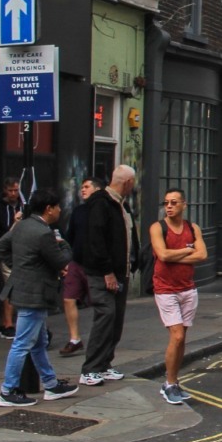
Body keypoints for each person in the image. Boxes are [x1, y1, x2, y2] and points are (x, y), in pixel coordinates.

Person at [0, 189, 80, 407]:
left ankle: (51, 384)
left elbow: (1, 246)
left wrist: (18, 268)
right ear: (49, 209)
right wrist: (63, 243)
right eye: (58, 206)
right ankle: (7, 391)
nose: (60, 210)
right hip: (35, 294)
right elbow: (61, 260)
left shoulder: (22, 225)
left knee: (39, 342)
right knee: (22, 343)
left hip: (25, 289)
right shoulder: (44, 233)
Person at [80, 165, 138, 387]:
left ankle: (104, 364)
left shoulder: (121, 205)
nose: (133, 186)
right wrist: (107, 272)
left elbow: (127, 234)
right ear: (127, 182)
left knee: (115, 320)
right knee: (105, 316)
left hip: (120, 272)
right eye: (132, 182)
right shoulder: (101, 204)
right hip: (103, 274)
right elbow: (97, 241)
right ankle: (90, 369)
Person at [150, 188, 207, 404]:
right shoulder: (158, 227)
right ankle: (169, 384)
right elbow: (162, 254)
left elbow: (202, 255)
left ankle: (174, 382)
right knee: (177, 336)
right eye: (166, 203)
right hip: (165, 289)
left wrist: (177, 255)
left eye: (174, 202)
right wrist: (188, 250)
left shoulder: (192, 228)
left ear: (184, 204)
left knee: (182, 337)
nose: (169, 206)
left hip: (188, 289)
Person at [59, 177, 103, 357]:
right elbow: (70, 237)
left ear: (97, 189)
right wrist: (65, 261)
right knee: (68, 298)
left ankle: (99, 340)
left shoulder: (102, 210)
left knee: (100, 305)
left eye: (87, 187)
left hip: (96, 266)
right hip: (76, 263)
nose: (82, 190)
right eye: (81, 187)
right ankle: (75, 339)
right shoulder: (78, 211)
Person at [0, 176, 22, 339]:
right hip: (5, 250)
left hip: (19, 249)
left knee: (12, 285)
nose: (13, 194)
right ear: (5, 190)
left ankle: (4, 323)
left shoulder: (22, 205)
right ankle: (8, 324)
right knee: (10, 286)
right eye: (10, 190)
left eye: (16, 190)